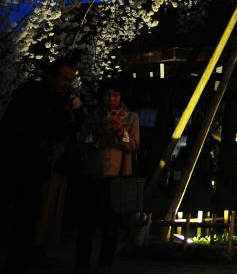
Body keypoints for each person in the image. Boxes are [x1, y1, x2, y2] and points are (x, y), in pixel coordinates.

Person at [0, 57, 80, 274]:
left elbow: (63, 129)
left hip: (33, 168)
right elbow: (18, 127)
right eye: (64, 78)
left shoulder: (60, 100)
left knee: (26, 221)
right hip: (14, 162)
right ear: (52, 76)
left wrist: (72, 113)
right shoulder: (32, 94)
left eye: (70, 80)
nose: (67, 84)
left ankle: (17, 264)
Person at [75, 79, 139, 274]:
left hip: (116, 175)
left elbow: (133, 146)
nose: (111, 99)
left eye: (115, 95)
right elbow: (82, 142)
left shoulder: (130, 117)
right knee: (87, 224)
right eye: (107, 95)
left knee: (111, 224)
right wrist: (97, 133)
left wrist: (121, 131)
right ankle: (82, 264)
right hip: (92, 173)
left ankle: (105, 264)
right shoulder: (93, 116)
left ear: (121, 97)